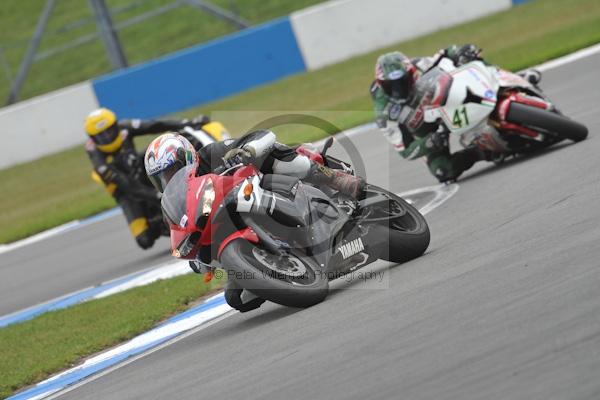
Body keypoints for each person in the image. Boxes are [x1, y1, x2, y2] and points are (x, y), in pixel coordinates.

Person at [144, 130, 365, 311]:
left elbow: (262, 135)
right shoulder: (174, 204)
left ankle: (336, 179)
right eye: (161, 177)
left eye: (172, 169)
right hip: (232, 227)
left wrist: (248, 150)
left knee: (278, 159)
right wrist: (198, 259)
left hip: (265, 184)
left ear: (187, 156)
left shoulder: (211, 154)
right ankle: (290, 267)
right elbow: (186, 237)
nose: (169, 178)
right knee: (237, 297)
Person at [371, 44, 542, 183]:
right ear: (381, 84)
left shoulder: (419, 65)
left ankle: (509, 78)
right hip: (427, 129)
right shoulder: (384, 113)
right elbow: (406, 151)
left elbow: (444, 54)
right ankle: (483, 151)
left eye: (402, 81)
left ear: (411, 73)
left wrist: (461, 52)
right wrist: (430, 142)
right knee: (444, 171)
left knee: (472, 59)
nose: (398, 89)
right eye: (391, 85)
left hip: (444, 101)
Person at [85, 107, 209, 249]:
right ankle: (164, 222)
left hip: (136, 166)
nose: (107, 137)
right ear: (93, 139)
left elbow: (154, 125)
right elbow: (129, 187)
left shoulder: (124, 127)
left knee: (161, 154)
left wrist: (186, 123)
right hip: (124, 190)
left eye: (109, 131)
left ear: (115, 125)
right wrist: (159, 197)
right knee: (144, 240)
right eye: (101, 136)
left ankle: (193, 179)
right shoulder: (97, 157)